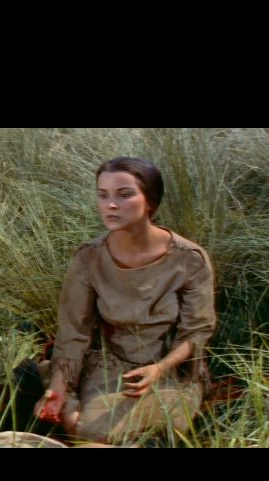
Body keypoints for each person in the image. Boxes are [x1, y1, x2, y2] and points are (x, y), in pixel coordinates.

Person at [34, 157, 216, 445]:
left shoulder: (189, 259)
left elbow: (196, 332)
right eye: (103, 195)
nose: (111, 205)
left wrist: (159, 369)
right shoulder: (88, 258)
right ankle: (57, 382)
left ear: (150, 201)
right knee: (88, 431)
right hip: (111, 361)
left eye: (124, 195)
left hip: (168, 365)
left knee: (168, 428)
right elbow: (74, 332)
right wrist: (59, 388)